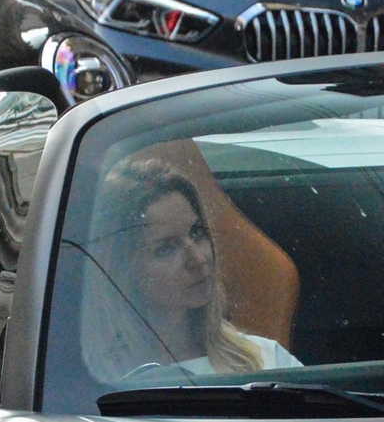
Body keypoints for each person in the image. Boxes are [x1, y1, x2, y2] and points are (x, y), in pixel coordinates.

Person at [87, 157, 300, 377]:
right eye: (166, 248)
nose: (198, 259)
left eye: (197, 233)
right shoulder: (97, 379)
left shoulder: (267, 360)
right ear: (121, 270)